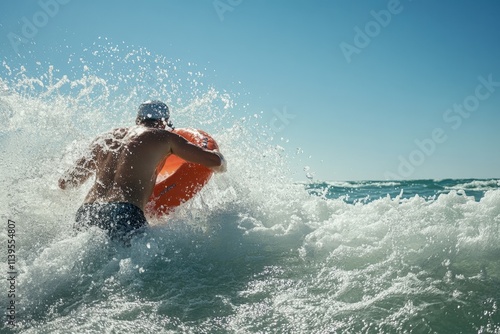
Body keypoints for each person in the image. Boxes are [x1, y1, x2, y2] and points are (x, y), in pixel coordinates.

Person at [58, 100, 226, 242]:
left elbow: (66, 182)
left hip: (87, 211)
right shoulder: (164, 137)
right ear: (164, 122)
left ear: (138, 119)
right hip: (123, 211)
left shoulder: (107, 138)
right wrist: (219, 157)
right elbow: (212, 161)